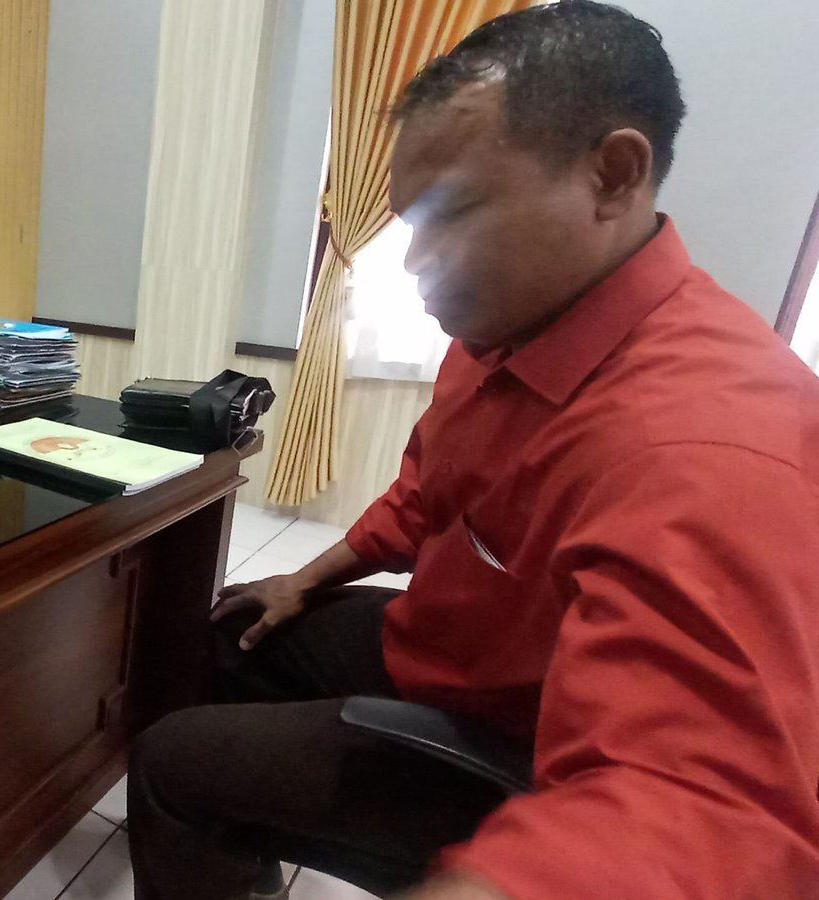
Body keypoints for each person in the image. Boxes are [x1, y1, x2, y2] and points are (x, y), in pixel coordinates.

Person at [128, 3, 819, 899]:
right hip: (454, 655)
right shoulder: (504, 327)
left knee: (171, 764)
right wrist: (306, 576)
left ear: (612, 175)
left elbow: (701, 810)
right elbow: (427, 493)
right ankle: (245, 855)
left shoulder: (710, 441)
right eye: (408, 221)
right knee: (225, 635)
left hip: (523, 743)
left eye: (452, 212)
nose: (415, 260)